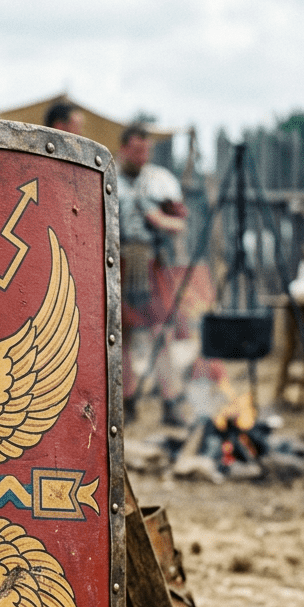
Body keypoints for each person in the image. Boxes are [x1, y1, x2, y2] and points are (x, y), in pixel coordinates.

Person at [116, 123, 189, 425]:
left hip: (152, 265)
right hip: (117, 264)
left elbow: (180, 223)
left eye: (145, 150)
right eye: (136, 150)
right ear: (124, 150)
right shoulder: (108, 178)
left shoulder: (161, 181)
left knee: (162, 332)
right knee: (121, 336)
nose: (141, 155)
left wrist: (158, 219)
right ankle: (126, 402)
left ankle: (170, 401)